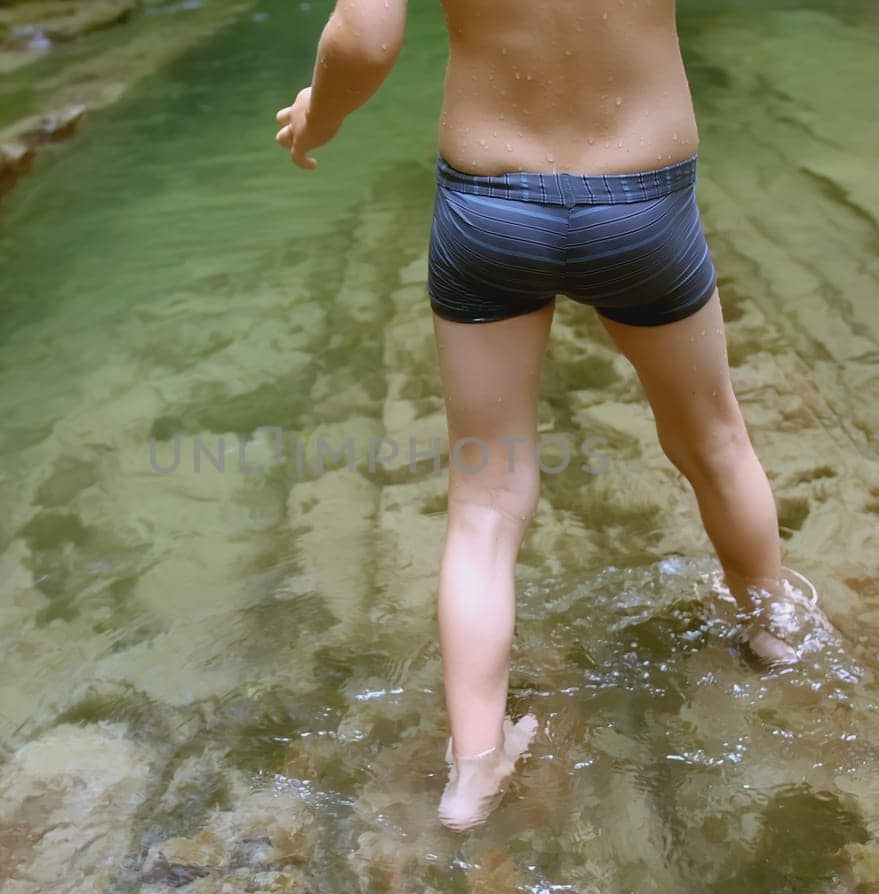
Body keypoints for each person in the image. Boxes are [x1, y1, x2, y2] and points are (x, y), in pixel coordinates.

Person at [274, 0, 799, 832]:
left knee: (484, 503)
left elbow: (367, 38)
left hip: (490, 207)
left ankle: (474, 772)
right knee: (713, 441)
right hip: (644, 204)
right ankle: (772, 633)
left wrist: (319, 115)